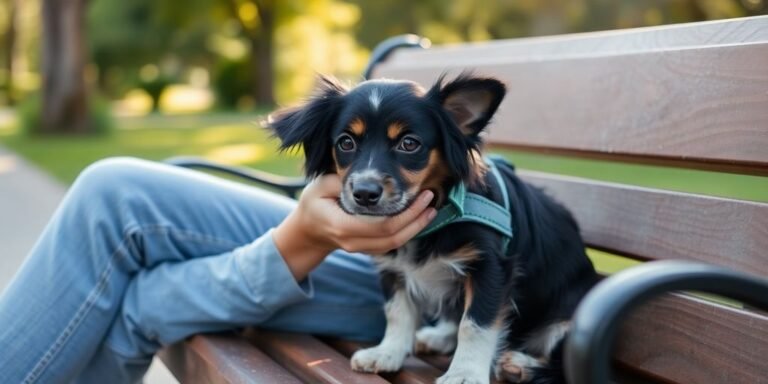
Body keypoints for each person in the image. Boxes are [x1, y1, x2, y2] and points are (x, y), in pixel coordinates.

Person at [0, 157, 437, 384]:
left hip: (438, 276)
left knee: (114, 197)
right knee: (144, 298)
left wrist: (305, 235)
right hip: (377, 255)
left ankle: (300, 241)